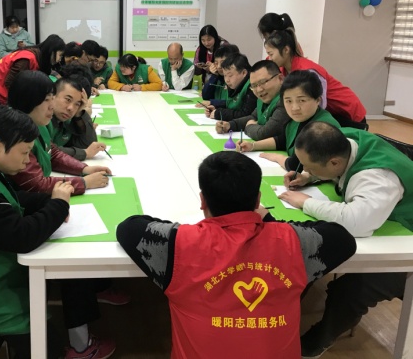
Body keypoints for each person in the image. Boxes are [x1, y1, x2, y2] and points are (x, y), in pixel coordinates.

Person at [116, 151, 356, 359]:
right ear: (258, 199)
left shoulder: (179, 243)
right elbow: (342, 238)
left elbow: (130, 228)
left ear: (202, 200)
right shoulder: (292, 242)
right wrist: (271, 221)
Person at [0, 105, 115, 359]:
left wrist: (48, 202)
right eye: (25, 152)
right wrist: (58, 206)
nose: (28, 160)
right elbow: (23, 238)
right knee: (48, 347)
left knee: (69, 269)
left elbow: (12, 197)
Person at [277, 122, 413, 357]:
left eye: (310, 166)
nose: (304, 169)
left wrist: (306, 202)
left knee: (352, 289)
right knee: (305, 260)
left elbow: (357, 223)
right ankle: (281, 319)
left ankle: (318, 342)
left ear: (334, 163)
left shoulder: (379, 177)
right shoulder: (345, 139)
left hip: (406, 247)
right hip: (387, 222)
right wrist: (309, 176)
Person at [7, 70, 110, 194]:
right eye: (46, 100)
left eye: (52, 99)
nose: (51, 106)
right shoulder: (14, 133)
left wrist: (84, 169)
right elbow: (36, 184)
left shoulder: (38, 123)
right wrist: (84, 183)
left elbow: (52, 153)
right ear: (28, 99)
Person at [238, 70, 340, 172]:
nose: (295, 108)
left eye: (302, 100)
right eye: (289, 101)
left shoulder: (323, 127)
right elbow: (283, 140)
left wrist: (276, 158)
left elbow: (296, 165)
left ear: (318, 100)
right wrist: (253, 146)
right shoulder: (297, 119)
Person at [265, 30, 367, 128]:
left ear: (286, 50)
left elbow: (320, 104)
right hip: (332, 113)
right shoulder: (283, 69)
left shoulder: (308, 71)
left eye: (271, 54)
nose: (269, 58)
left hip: (347, 113)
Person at [0, 34, 65, 104]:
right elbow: (11, 83)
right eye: (60, 55)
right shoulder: (27, 59)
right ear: (51, 51)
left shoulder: (35, 58)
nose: (60, 59)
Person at [217, 60, 290, 141]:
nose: (259, 90)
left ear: (280, 78)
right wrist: (230, 125)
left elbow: (264, 134)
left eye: (263, 82)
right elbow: (253, 117)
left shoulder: (286, 101)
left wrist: (249, 127)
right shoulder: (264, 98)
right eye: (254, 86)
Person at [51, 74, 107, 161]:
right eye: (68, 100)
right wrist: (84, 153)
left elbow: (88, 143)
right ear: (52, 96)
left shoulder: (66, 120)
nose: (71, 108)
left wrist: (79, 113)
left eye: (77, 104)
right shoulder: (41, 121)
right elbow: (49, 151)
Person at [205, 53, 257, 122]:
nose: (227, 80)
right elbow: (232, 105)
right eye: (225, 75)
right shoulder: (236, 85)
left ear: (244, 73)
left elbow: (246, 114)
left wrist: (219, 113)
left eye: (230, 75)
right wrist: (216, 108)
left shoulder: (252, 87)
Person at [199, 44, 240, 108]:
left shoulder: (236, 80)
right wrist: (214, 75)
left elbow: (233, 102)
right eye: (216, 63)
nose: (219, 66)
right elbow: (206, 96)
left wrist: (212, 102)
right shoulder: (218, 77)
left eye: (222, 62)